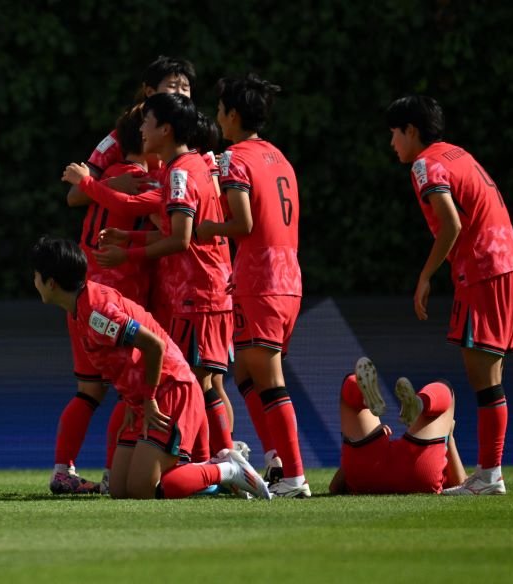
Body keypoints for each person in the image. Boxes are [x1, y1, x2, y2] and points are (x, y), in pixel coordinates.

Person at [31, 236, 270, 500]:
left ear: (50, 282)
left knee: (144, 489)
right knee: (121, 491)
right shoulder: (81, 309)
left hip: (170, 390)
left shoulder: (96, 313)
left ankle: (226, 469)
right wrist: (135, 401)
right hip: (146, 401)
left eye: (36, 276)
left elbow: (154, 345)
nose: (34, 281)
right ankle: (205, 475)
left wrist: (149, 398)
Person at [386, 95, 513, 495]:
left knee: (482, 376)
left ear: (411, 130)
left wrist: (425, 276)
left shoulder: (424, 163)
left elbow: (450, 224)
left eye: (394, 134)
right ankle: (489, 473)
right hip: (511, 264)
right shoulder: (458, 154)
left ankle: (489, 475)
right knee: (491, 375)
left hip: (484, 270)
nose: (392, 143)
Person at [97, 93, 236, 464]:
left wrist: (127, 253)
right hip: (203, 292)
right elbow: (175, 232)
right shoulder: (194, 165)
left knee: (194, 384)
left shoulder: (180, 171)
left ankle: (218, 464)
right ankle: (216, 461)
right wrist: (130, 237)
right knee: (202, 383)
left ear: (166, 129)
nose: (141, 128)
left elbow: (180, 239)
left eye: (148, 121)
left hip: (197, 294)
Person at [196, 74, 308, 497]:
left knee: (268, 375)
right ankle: (276, 460)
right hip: (286, 276)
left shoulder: (232, 159)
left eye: (221, 109)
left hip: (261, 280)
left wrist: (205, 228)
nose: (217, 117)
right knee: (245, 370)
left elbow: (241, 223)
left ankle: (295, 476)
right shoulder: (278, 157)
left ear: (233, 114)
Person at [51, 105, 158, 495]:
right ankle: (116, 472)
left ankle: (63, 470)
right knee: (131, 389)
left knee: (88, 390)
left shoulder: (108, 176)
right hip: (116, 297)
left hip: (84, 295)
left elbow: (79, 195)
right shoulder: (146, 181)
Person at [330, 357, 467, 495]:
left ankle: (364, 398)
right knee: (444, 386)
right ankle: (420, 403)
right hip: (418, 471)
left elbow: (334, 487)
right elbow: (461, 484)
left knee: (350, 385)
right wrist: (449, 438)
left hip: (366, 473)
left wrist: (354, 451)